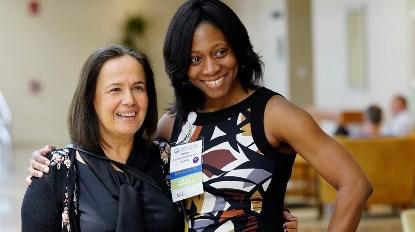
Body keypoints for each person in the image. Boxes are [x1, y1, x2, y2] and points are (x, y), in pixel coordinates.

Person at [27, 0, 369, 231]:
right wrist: (50, 165)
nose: (211, 68)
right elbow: (124, 169)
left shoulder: (273, 114)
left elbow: (354, 184)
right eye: (194, 59)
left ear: (238, 49)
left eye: (220, 52)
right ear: (181, 65)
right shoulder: (174, 125)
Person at [21, 45, 182, 231]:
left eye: (138, 87)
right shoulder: (55, 173)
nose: (129, 100)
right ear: (90, 99)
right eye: (115, 89)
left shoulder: (168, 160)